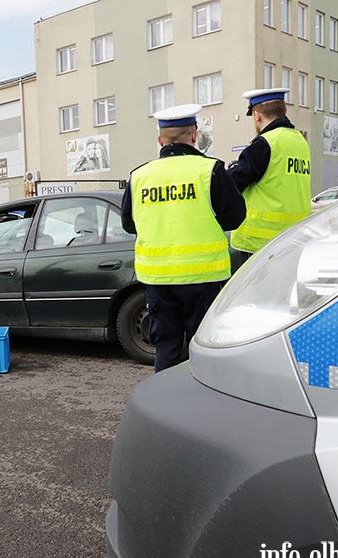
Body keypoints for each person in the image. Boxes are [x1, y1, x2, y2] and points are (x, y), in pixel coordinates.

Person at [122, 104, 246, 372]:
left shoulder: (139, 176)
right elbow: (235, 217)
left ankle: (166, 408)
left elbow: (129, 224)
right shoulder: (210, 170)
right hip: (203, 278)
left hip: (158, 279)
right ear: (195, 135)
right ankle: (203, 407)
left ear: (160, 140)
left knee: (166, 347)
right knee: (203, 347)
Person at [228, 88, 312, 265]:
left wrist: (232, 168)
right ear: (285, 111)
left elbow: (233, 183)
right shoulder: (300, 142)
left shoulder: (265, 143)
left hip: (260, 245)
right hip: (294, 239)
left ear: (257, 115)